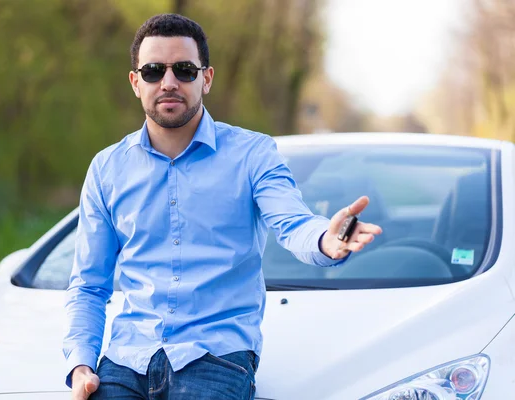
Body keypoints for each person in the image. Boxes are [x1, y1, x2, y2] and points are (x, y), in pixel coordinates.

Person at [63, 13, 382, 400]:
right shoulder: (107, 168)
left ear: (206, 78)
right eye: (152, 71)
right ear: (135, 82)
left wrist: (326, 241)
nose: (168, 83)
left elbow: (293, 223)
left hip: (216, 358)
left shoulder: (253, 154)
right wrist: (81, 363)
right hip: (126, 360)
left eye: (184, 70)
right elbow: (88, 285)